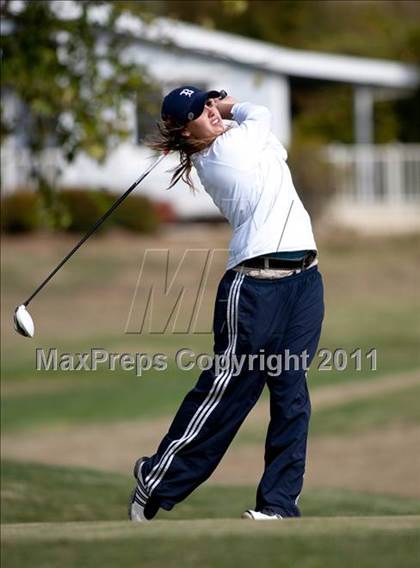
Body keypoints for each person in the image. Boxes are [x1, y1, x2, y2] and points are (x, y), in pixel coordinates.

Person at [129, 85, 324, 522]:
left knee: (293, 397)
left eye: (207, 105)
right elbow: (261, 112)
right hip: (255, 288)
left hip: (304, 280)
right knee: (228, 397)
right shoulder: (224, 154)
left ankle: (278, 506)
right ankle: (156, 478)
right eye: (199, 112)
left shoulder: (239, 139)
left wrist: (219, 108)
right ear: (184, 131)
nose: (210, 114)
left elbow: (258, 119)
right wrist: (228, 104)